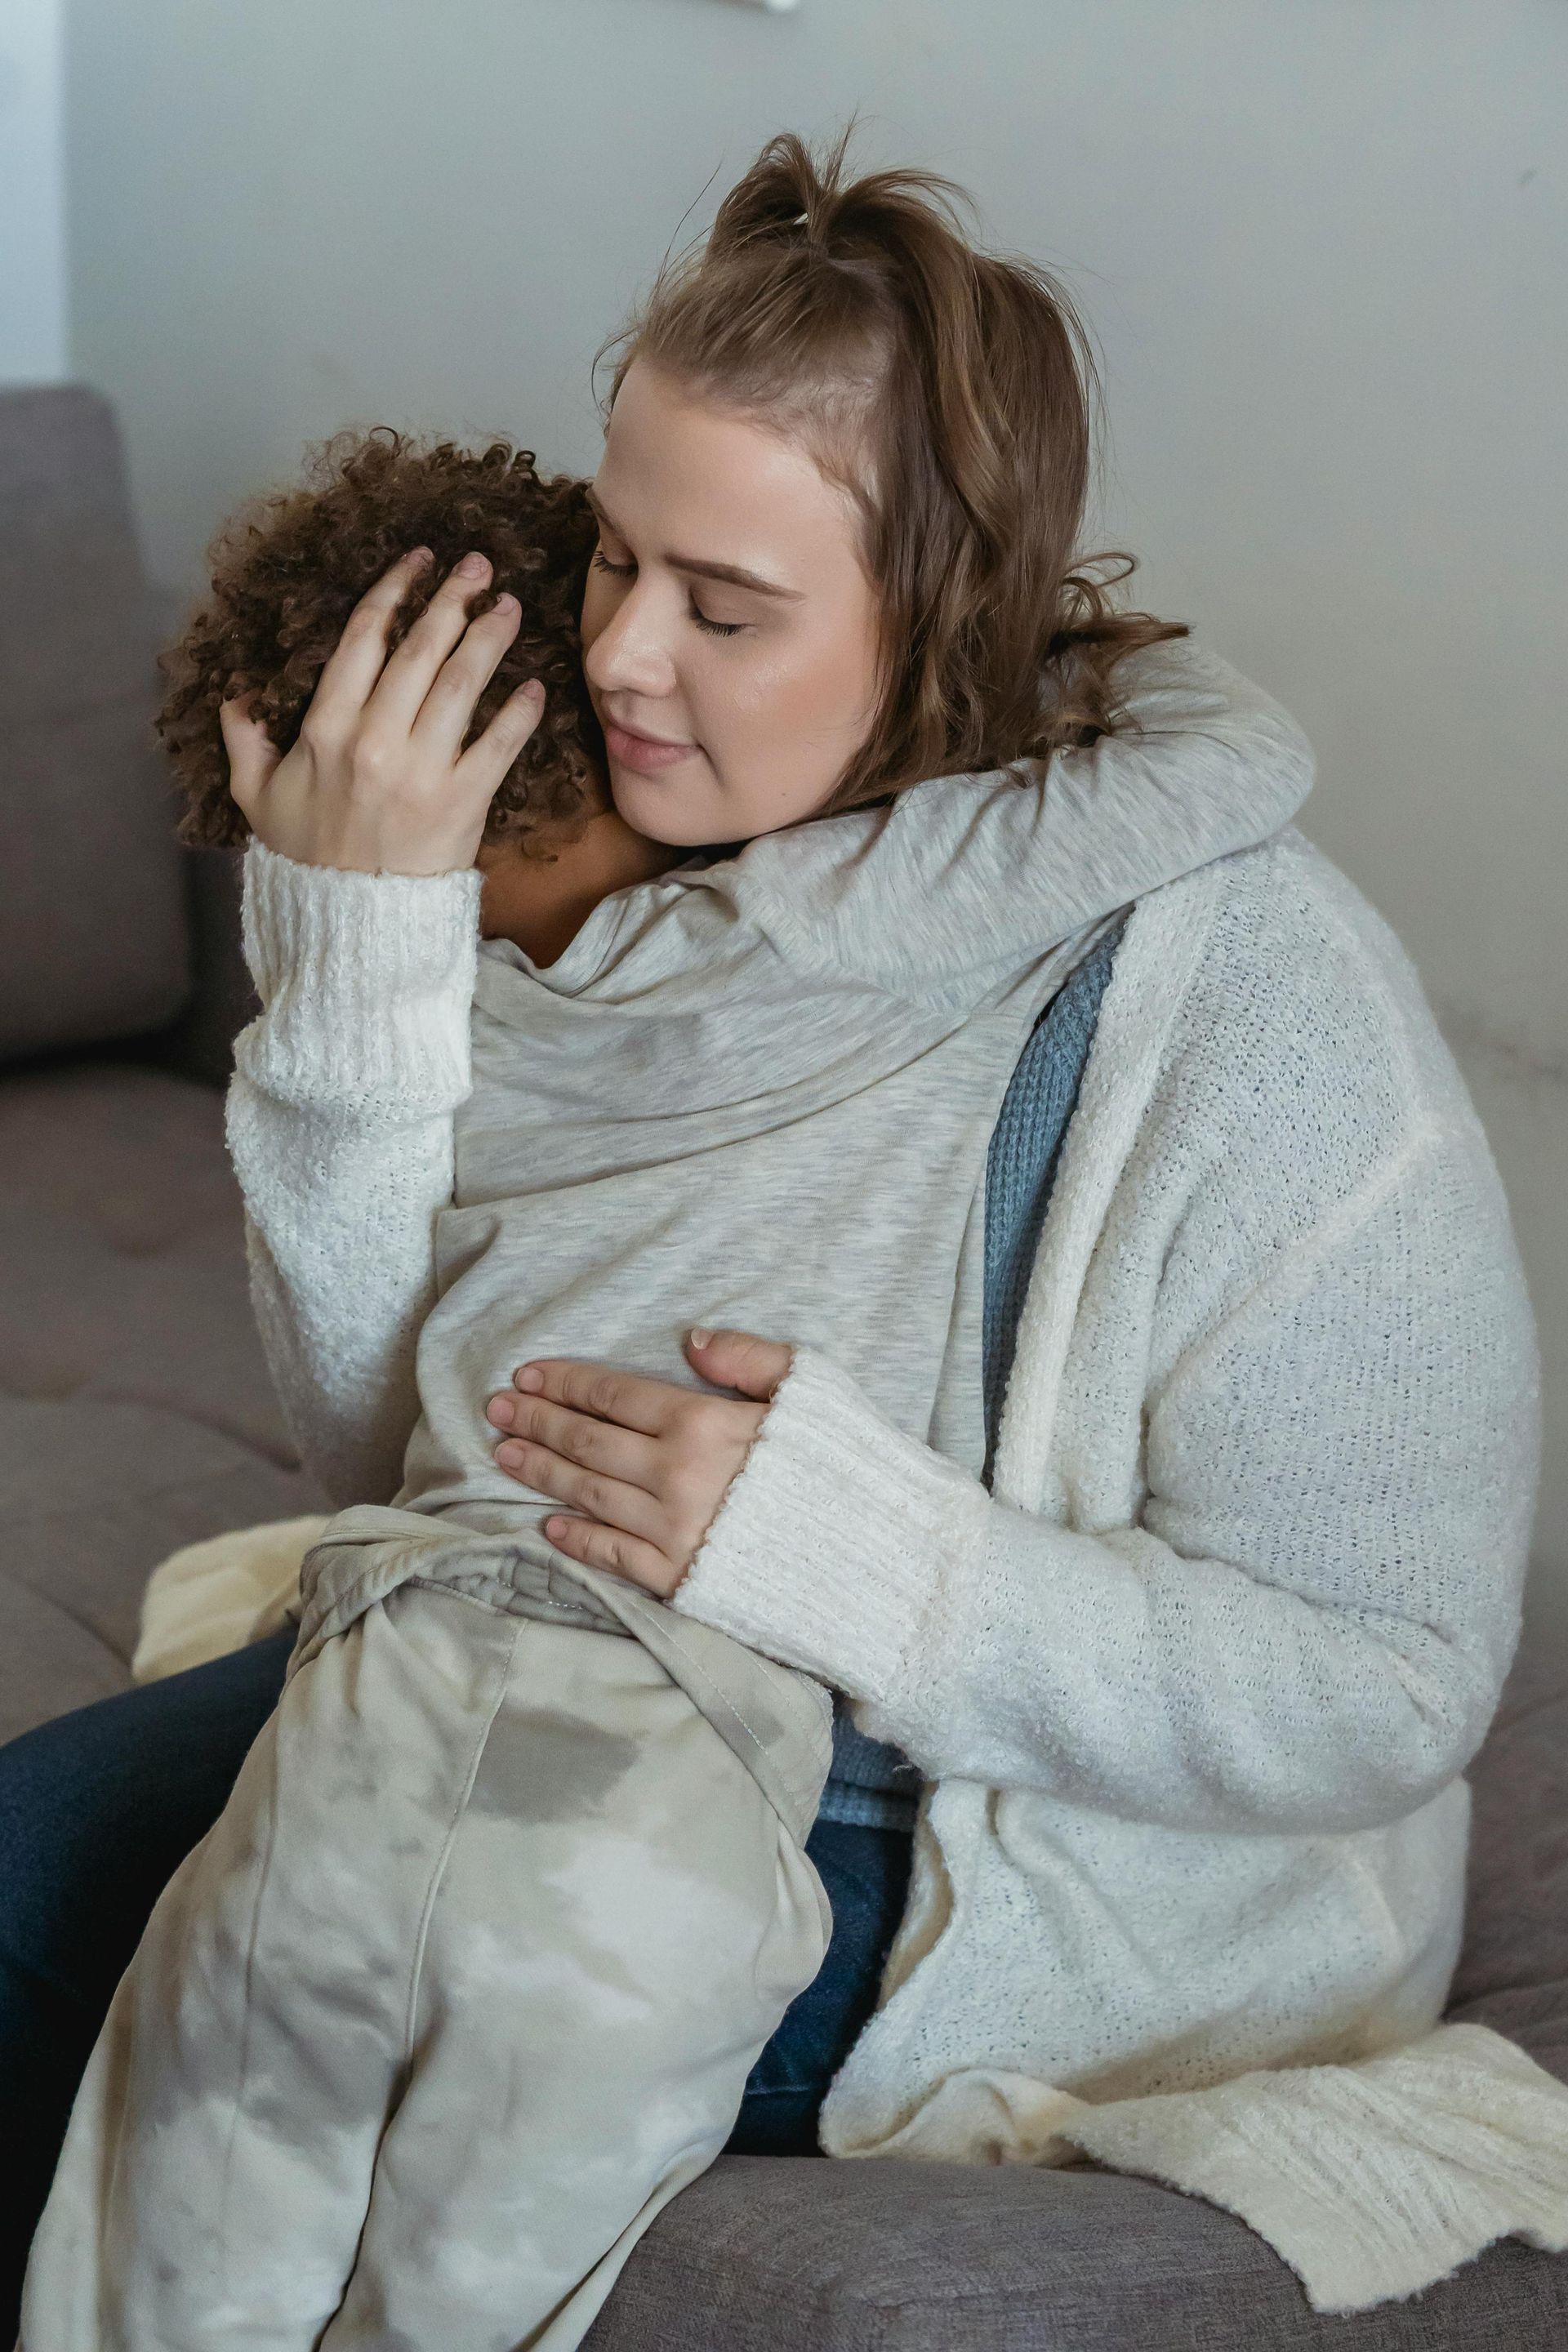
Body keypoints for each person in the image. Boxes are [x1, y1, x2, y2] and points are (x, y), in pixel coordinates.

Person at [3, 128, 1555, 2339]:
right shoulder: (635, 901)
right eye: (615, 552)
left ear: (945, 622)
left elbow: (1389, 1687)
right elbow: (388, 1465)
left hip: (988, 1851)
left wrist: (854, 1552)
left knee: (300, 1947)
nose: (619, 652)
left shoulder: (1248, 1001)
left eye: (725, 607)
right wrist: (355, 952)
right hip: (523, 1660)